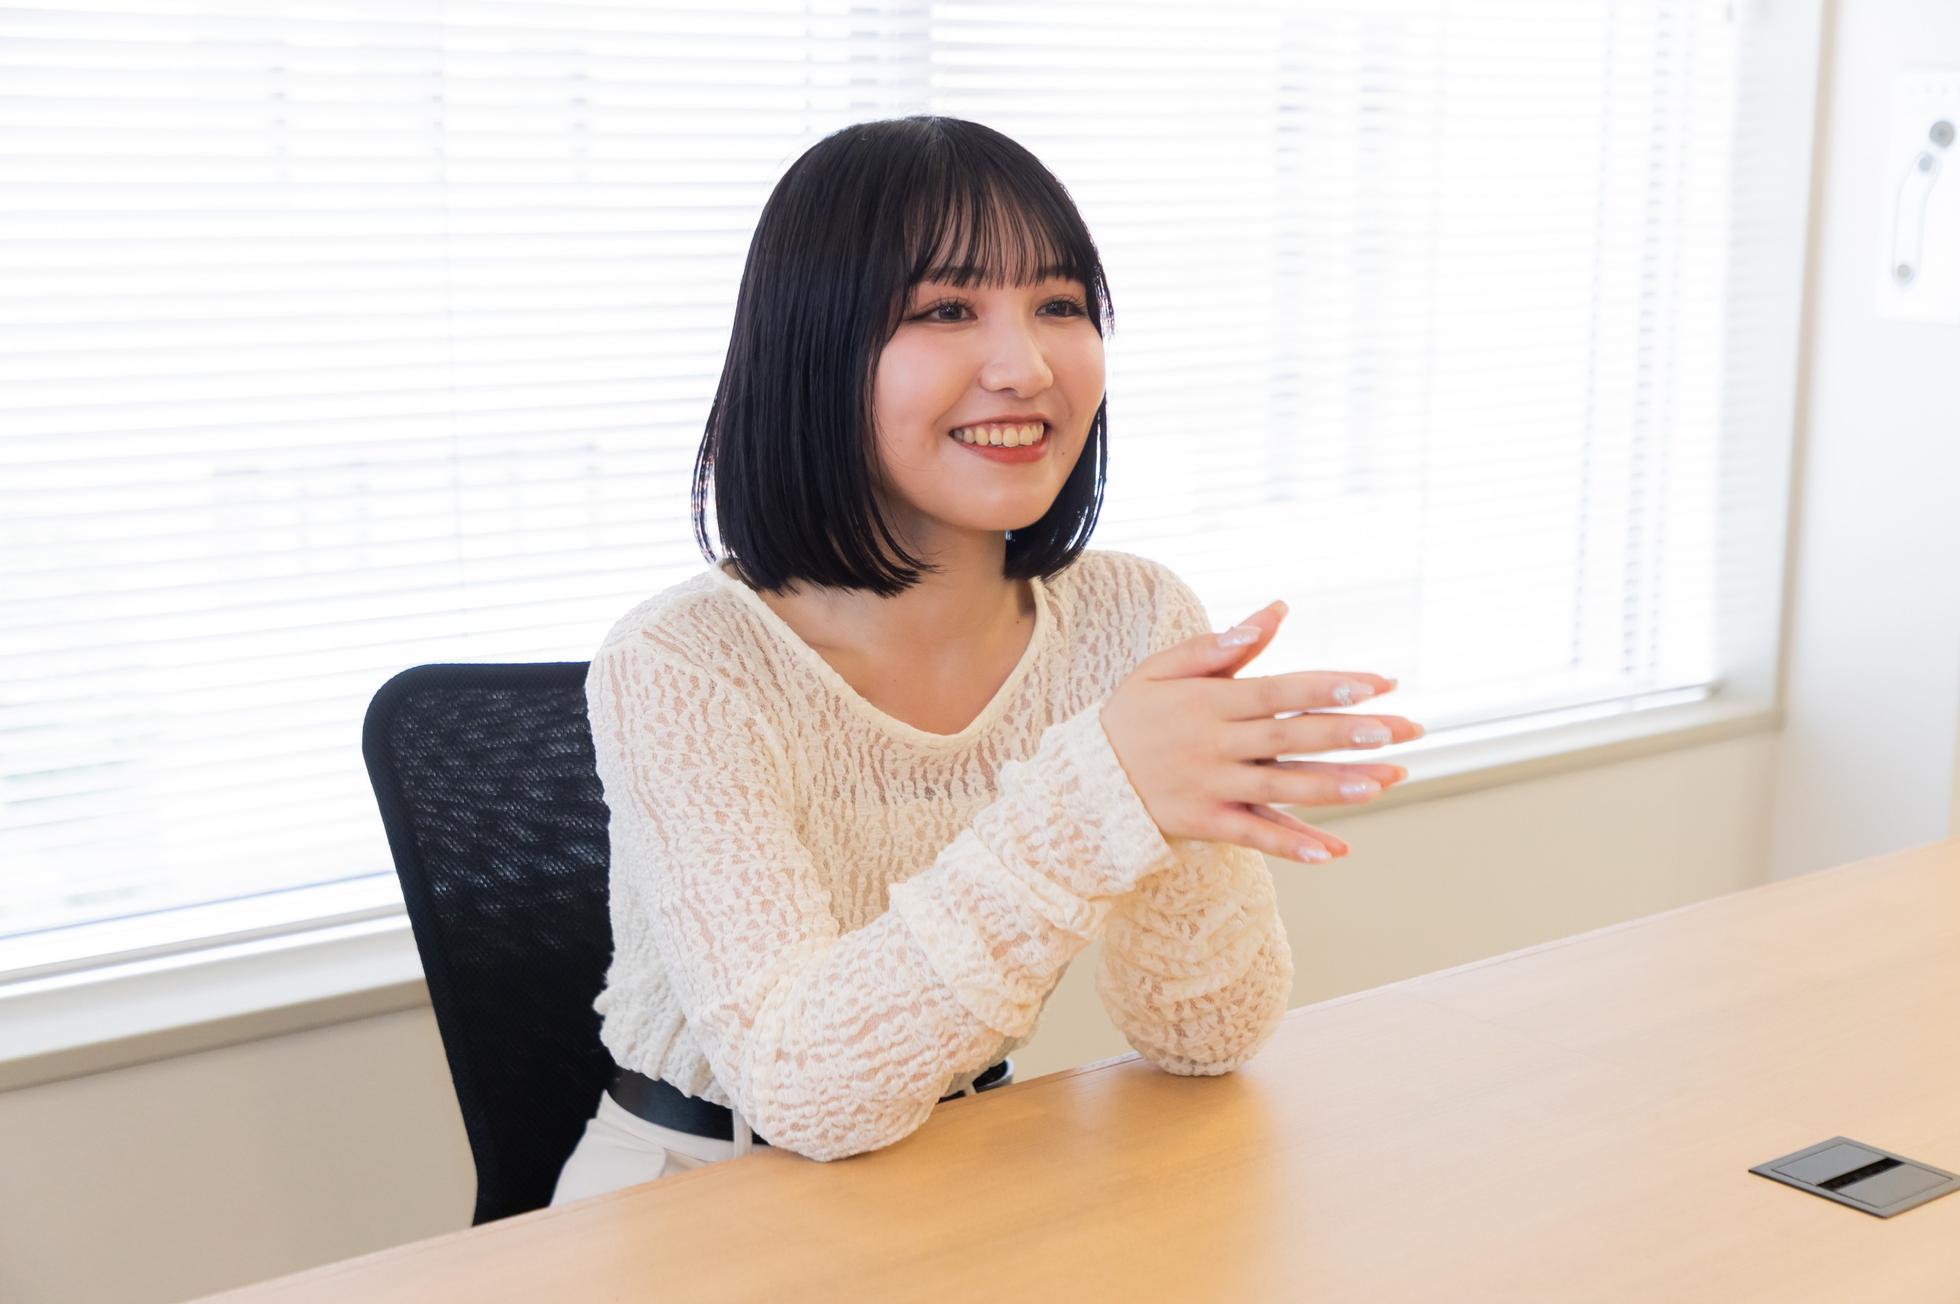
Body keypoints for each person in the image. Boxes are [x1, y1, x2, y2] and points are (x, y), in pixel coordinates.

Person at [550, 115, 1420, 1206]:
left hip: (965, 1155)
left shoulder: (1132, 616)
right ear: (814, 350)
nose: (1026, 366)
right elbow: (804, 1088)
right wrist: (1101, 795)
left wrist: (1174, 819)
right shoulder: (680, 663)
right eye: (945, 310)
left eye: (1060, 304)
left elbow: (1207, 1033)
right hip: (693, 1189)